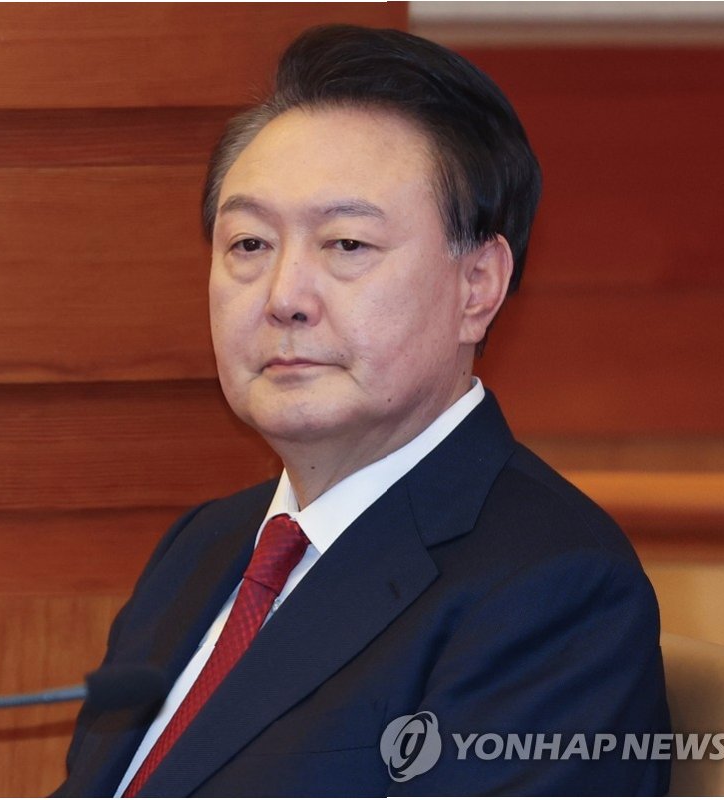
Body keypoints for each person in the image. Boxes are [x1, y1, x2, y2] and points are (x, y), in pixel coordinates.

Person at [56, 24, 669, 796]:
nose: (283, 297)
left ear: (476, 286)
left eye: (346, 244)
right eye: (249, 245)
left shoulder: (554, 592)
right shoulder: (204, 547)